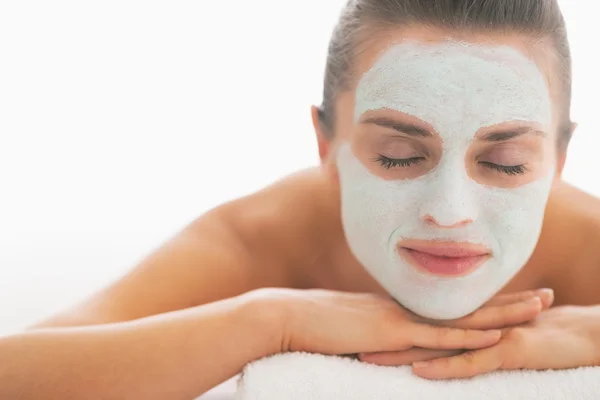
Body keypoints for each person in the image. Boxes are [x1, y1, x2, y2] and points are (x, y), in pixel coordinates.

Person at [2, 0, 600, 398]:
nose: (449, 210)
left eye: (505, 164)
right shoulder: (262, 238)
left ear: (558, 160)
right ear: (326, 143)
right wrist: (269, 321)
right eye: (398, 155)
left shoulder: (583, 241)